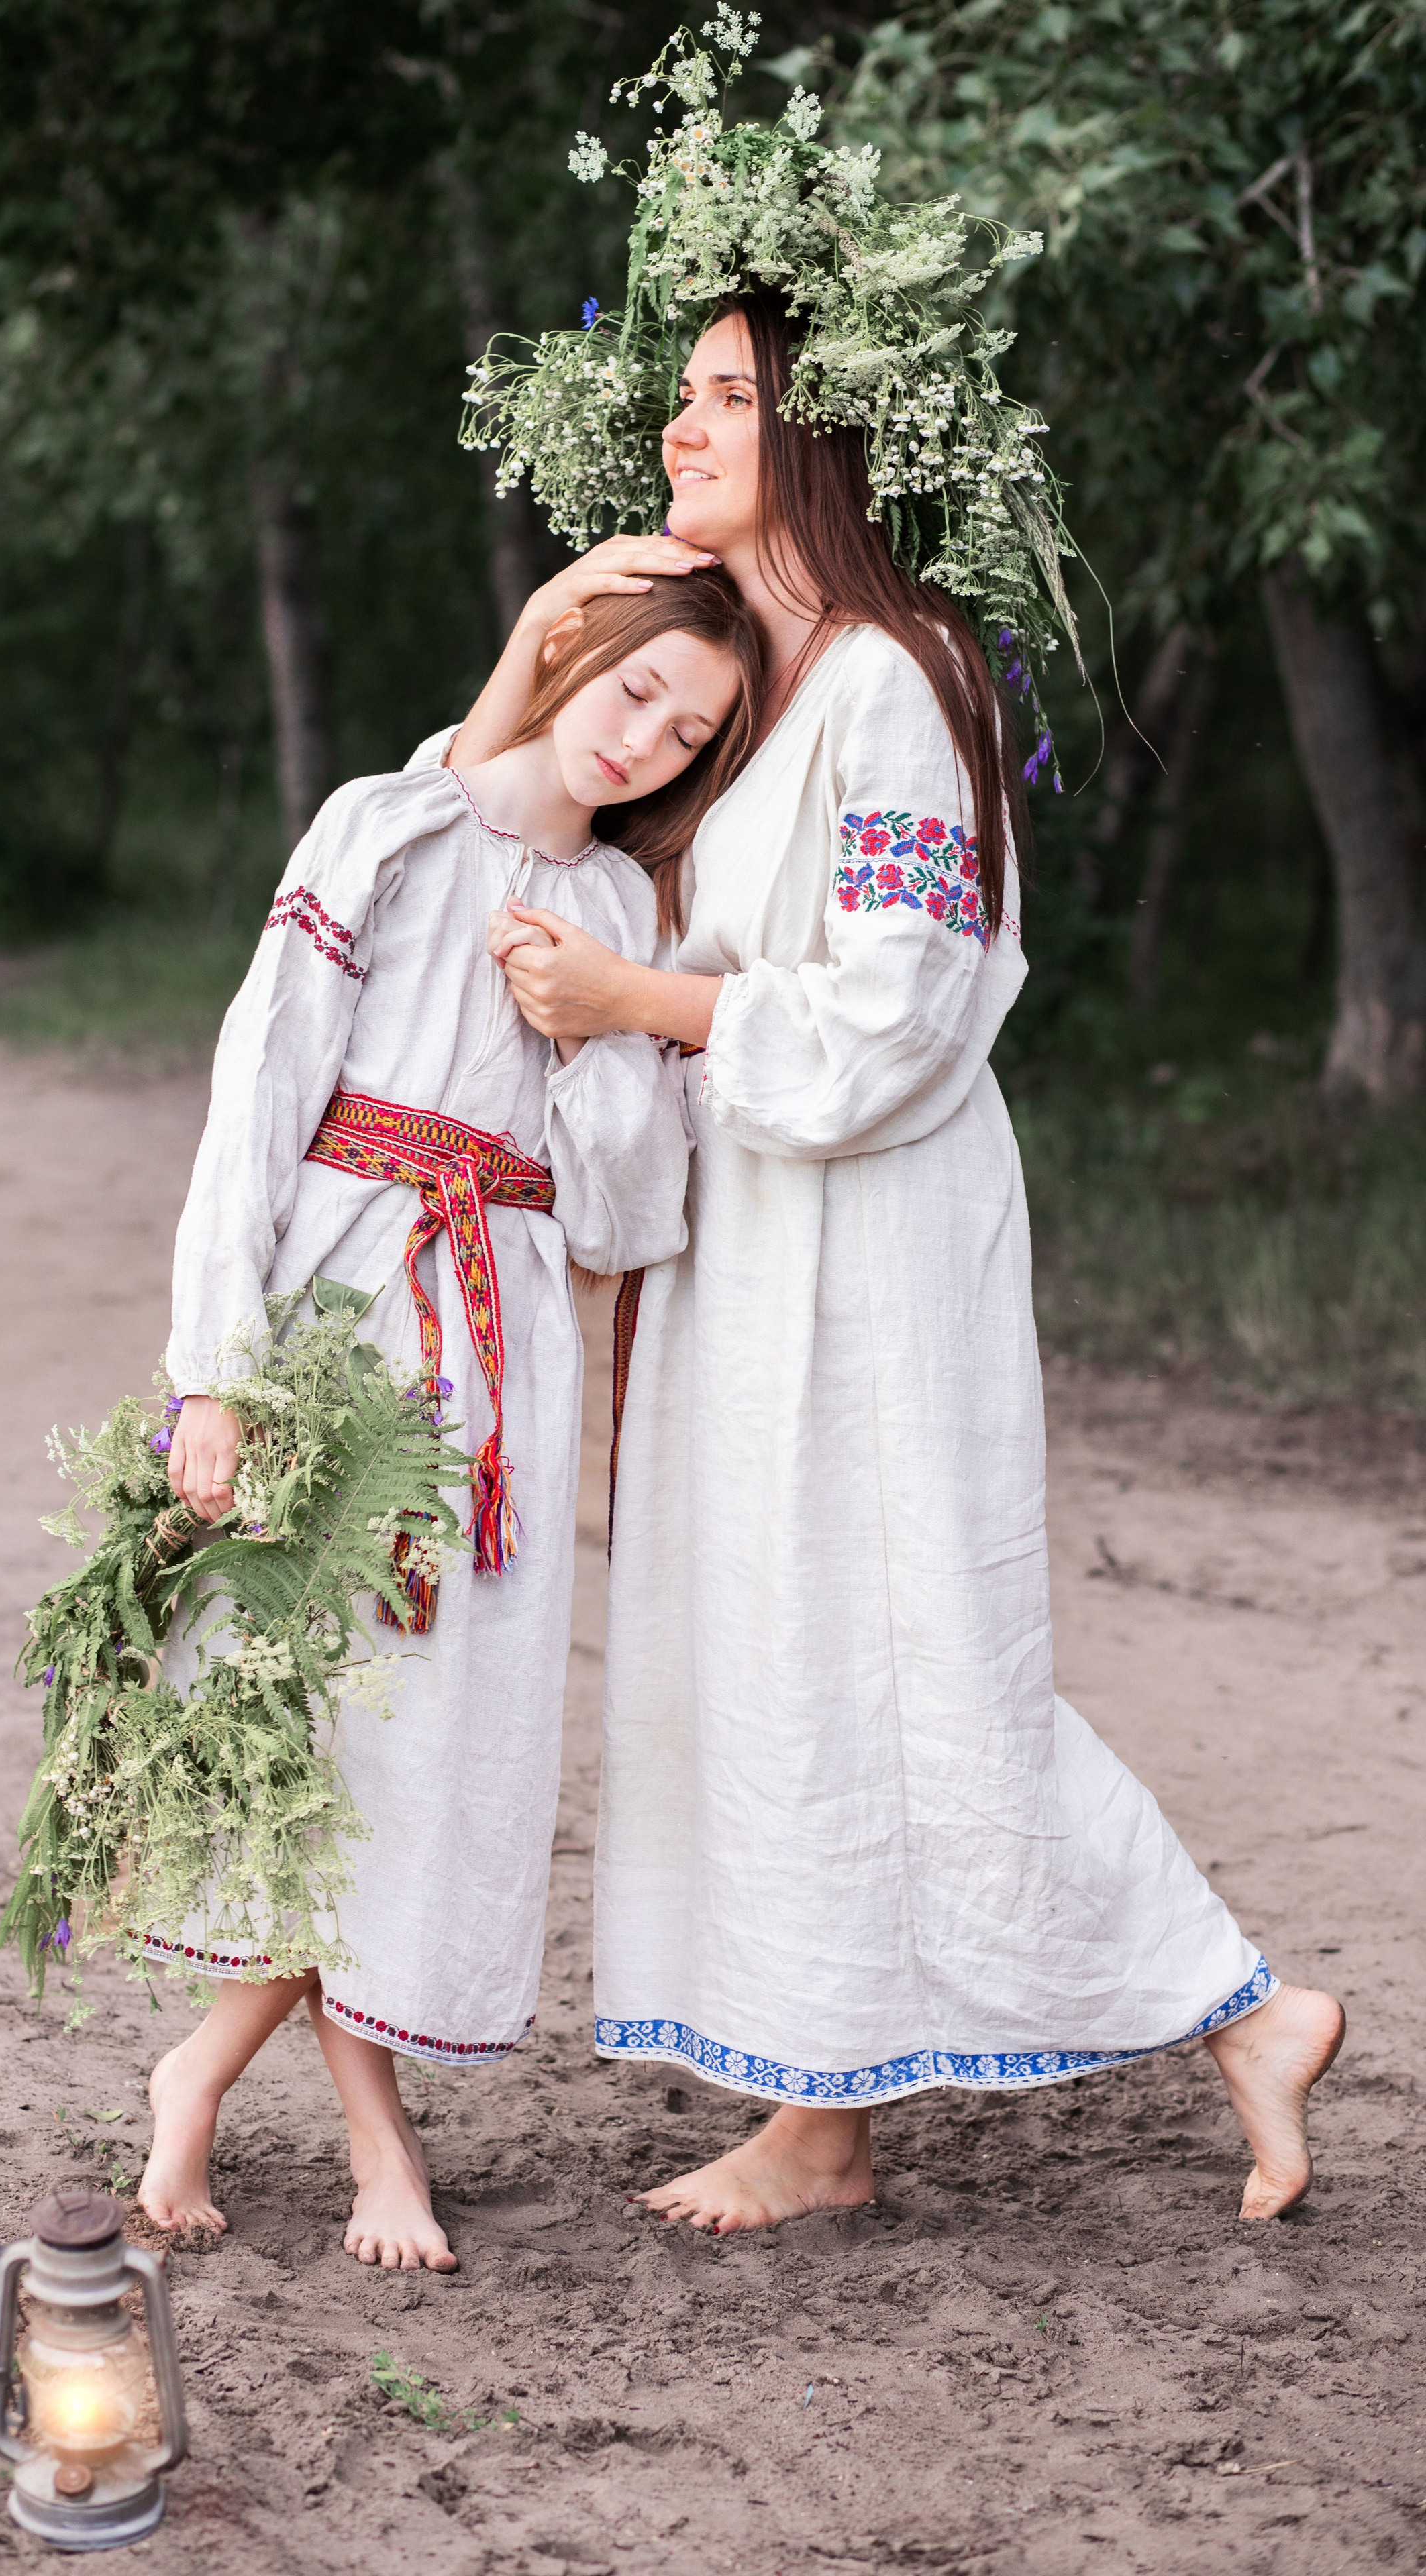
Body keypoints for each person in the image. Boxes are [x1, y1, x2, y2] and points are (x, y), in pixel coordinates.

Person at [452, 274, 1345, 2233]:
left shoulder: (900, 673)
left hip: (872, 1244)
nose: (679, 431)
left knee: (920, 1651)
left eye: (722, 399)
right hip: (758, 1246)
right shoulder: (764, 701)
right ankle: (824, 2103)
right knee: (787, 1654)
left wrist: (638, 1000)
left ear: (823, 438)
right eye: (680, 399)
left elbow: (899, 1010)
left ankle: (1238, 2008)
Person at [136, 575, 764, 2270]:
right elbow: (256, 1097)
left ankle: (198, 2075)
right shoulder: (388, 827)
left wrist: (582, 1030)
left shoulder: (631, 909)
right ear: (567, 650)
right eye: (635, 690)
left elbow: (628, 1216)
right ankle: (372, 2144)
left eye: (689, 731)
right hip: (341, 1310)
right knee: (317, 1729)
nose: (645, 740)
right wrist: (214, 1373)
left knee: (431, 1747)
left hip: (498, 1362)